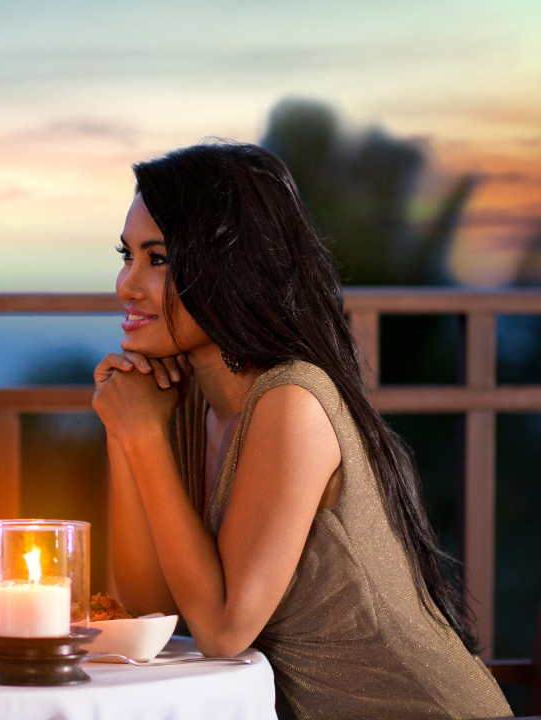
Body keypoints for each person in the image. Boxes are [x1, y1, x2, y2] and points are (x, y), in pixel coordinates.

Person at [91, 143, 511, 719]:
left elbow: (222, 631)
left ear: (227, 267)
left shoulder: (292, 399)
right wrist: (127, 432)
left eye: (157, 258)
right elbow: (147, 608)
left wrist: (141, 437)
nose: (126, 283)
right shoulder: (184, 401)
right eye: (127, 254)